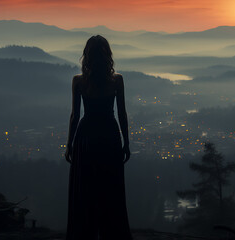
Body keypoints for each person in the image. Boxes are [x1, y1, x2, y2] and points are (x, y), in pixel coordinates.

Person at [65, 35, 133, 240]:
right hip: (109, 136)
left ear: (86, 56)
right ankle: (113, 232)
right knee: (110, 188)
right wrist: (126, 143)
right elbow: (122, 113)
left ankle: (83, 232)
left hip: (86, 138)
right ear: (107, 55)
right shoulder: (116, 80)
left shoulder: (78, 81)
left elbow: (75, 116)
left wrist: (69, 144)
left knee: (86, 188)